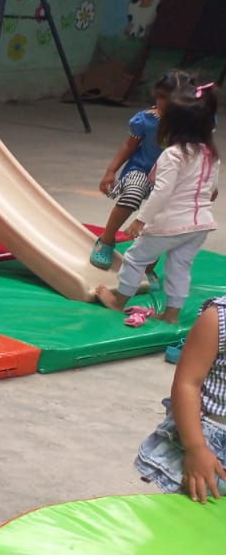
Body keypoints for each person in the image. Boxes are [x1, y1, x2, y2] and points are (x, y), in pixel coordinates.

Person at [93, 77, 217, 326]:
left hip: (170, 223)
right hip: (201, 224)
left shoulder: (173, 154)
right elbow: (211, 188)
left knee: (135, 258)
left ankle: (118, 301)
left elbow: (161, 191)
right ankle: (171, 315)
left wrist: (141, 220)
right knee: (179, 267)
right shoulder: (210, 153)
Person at [134, 295, 226, 502]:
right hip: (213, 442)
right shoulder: (218, 318)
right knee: (199, 508)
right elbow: (187, 384)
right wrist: (196, 448)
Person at [90, 72, 179, 270]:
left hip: (171, 177)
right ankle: (106, 240)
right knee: (132, 194)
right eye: (161, 97)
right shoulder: (145, 120)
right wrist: (111, 171)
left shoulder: (189, 124)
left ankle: (149, 264)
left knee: (164, 215)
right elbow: (129, 146)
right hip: (141, 168)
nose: (165, 103)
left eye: (172, 99)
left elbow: (202, 152)